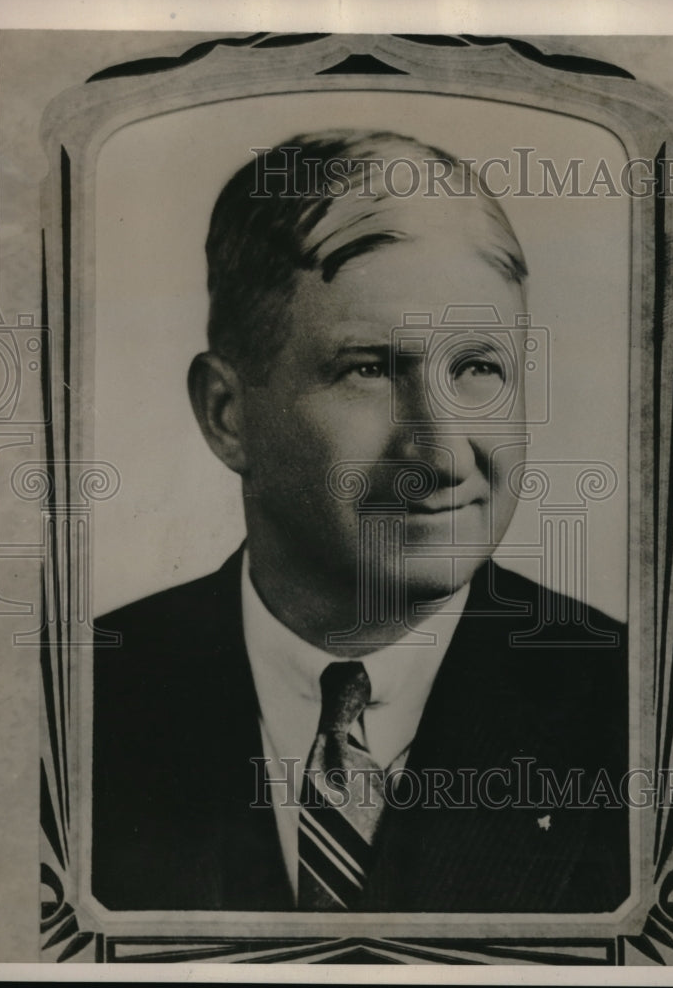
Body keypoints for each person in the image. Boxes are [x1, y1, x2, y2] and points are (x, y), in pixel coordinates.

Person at [92, 130, 629, 913]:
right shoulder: (68, 706)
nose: (442, 456)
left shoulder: (648, 713)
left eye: (478, 367)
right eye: (370, 369)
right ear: (227, 414)